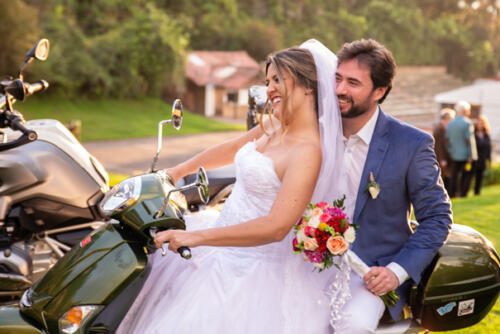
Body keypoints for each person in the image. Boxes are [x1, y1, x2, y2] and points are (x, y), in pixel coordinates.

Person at [116, 39, 344, 334]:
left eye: (278, 80)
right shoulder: (274, 125)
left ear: (308, 86)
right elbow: (232, 148)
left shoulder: (308, 151)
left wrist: (199, 237)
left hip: (252, 271)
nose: (269, 89)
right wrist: (177, 171)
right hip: (219, 240)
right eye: (267, 81)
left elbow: (276, 227)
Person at [334, 39, 452, 333]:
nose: (339, 90)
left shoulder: (412, 144)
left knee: (351, 327)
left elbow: (437, 218)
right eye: (337, 78)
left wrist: (394, 273)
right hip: (310, 268)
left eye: (352, 82)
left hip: (370, 276)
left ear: (380, 91)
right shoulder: (316, 134)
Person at [446, 101, 478, 197]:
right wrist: (471, 155)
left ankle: (452, 194)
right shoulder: (467, 123)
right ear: (465, 111)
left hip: (454, 154)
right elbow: (469, 140)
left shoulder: (450, 123)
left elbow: (447, 140)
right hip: (465, 155)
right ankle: (463, 194)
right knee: (466, 175)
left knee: (454, 175)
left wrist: (451, 151)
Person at [432, 108, 456, 194]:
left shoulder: (443, 127)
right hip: (441, 157)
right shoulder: (440, 128)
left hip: (443, 156)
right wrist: (442, 159)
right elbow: (439, 145)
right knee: (443, 177)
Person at [472, 115, 492, 195]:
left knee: (480, 177)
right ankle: (464, 192)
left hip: (483, 159)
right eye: (479, 123)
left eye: (482, 123)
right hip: (475, 158)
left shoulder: (486, 134)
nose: (480, 125)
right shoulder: (473, 134)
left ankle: (477, 192)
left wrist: (489, 159)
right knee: (470, 176)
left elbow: (489, 148)